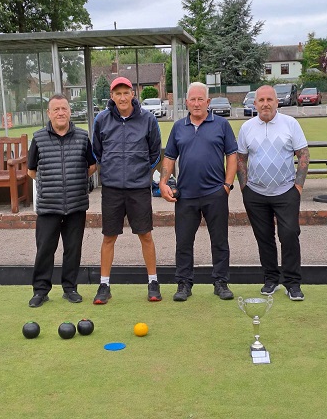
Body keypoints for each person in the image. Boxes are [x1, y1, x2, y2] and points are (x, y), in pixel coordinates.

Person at [159, 82, 238, 301]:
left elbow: (232, 155)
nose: (196, 103)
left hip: (215, 193)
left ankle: (220, 282)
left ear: (208, 102)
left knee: (220, 240)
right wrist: (163, 182)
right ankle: (184, 284)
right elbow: (169, 158)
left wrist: (227, 185)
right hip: (185, 195)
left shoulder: (221, 125)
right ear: (186, 102)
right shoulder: (178, 127)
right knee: (183, 242)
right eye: (192, 99)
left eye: (200, 99)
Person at [92, 76, 162, 304]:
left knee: (146, 235)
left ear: (133, 94)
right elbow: (98, 152)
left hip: (139, 188)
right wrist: (112, 171)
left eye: (126, 93)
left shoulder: (148, 119)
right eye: (117, 93)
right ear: (111, 96)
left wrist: (142, 174)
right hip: (112, 189)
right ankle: (104, 285)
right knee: (109, 237)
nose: (122, 97)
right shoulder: (101, 119)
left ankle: (153, 282)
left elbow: (154, 154)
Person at [237, 85, 310, 301]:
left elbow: (303, 154)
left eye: (270, 99)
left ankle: (292, 283)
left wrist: (298, 187)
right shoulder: (247, 127)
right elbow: (241, 158)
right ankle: (271, 280)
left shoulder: (290, 124)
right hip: (255, 194)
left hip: (286, 190)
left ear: (277, 102)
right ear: (255, 103)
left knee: (289, 235)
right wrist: (244, 188)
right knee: (264, 238)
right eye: (261, 100)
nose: (265, 103)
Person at [27, 93, 97, 307]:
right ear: (49, 113)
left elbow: (92, 166)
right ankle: (40, 290)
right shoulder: (38, 138)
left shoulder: (83, 137)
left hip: (76, 205)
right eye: (55, 109)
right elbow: (31, 170)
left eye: (64, 109)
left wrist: (74, 179)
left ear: (69, 112)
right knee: (45, 250)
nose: (60, 113)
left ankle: (70, 288)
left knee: (73, 249)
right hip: (49, 206)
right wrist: (52, 182)